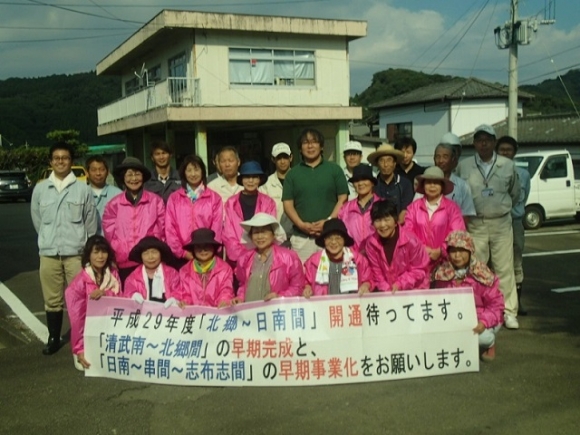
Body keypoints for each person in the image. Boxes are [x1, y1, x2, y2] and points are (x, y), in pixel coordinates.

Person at [30, 142, 98, 356]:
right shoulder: (40, 189)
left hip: (75, 254)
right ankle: (53, 338)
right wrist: (48, 239)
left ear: (71, 161)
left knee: (80, 297)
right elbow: (37, 221)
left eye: (65, 158)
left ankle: (84, 338)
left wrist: (87, 251)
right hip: (49, 253)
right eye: (57, 158)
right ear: (50, 161)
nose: (61, 162)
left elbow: (91, 223)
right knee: (52, 299)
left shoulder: (83, 189)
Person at [457, 124, 521, 329]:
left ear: (494, 142)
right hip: (476, 223)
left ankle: (508, 312)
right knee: (476, 268)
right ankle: (479, 310)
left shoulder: (507, 165)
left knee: (504, 268)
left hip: (501, 222)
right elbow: (460, 194)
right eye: (479, 140)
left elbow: (515, 193)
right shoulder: (464, 166)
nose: (483, 144)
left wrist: (501, 207)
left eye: (487, 140)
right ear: (474, 143)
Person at [433, 230, 505, 362]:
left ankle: (490, 343)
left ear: (470, 250)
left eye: (462, 250)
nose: (457, 256)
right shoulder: (443, 273)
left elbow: (496, 305)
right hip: (456, 319)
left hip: (481, 319)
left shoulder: (482, 274)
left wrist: (483, 322)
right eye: (453, 251)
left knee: (482, 338)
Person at [282, 128, 349, 263]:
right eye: (305, 142)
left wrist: (328, 221)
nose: (310, 146)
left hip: (330, 237)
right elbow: (287, 204)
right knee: (302, 273)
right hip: (301, 238)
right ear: (300, 149)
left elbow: (343, 198)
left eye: (314, 142)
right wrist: (301, 225)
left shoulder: (334, 170)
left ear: (321, 146)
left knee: (332, 273)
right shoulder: (292, 174)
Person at [102, 157, 165, 283]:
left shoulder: (155, 201)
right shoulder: (114, 204)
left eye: (137, 174)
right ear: (123, 178)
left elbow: (162, 230)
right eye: (129, 175)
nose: (134, 179)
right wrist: (117, 252)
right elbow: (109, 234)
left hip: (149, 260)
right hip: (124, 261)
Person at [65, 235, 122, 371]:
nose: (100, 257)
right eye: (96, 252)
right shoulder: (79, 283)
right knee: (84, 367)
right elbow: (77, 320)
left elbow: (122, 299)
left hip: (110, 330)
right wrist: (80, 349)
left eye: (104, 252)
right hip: (88, 332)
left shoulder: (113, 274)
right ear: (88, 255)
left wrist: (106, 294)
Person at [165, 155, 223, 268]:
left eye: (196, 169)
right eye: (189, 170)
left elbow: (217, 228)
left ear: (202, 171)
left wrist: (208, 251)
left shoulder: (214, 198)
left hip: (206, 254)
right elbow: (170, 229)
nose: (193, 174)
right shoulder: (174, 198)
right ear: (184, 173)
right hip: (180, 257)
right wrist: (182, 252)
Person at [404, 166, 465, 272]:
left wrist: (441, 251)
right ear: (423, 185)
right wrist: (421, 248)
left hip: (445, 263)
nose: (432, 186)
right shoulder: (413, 207)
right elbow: (407, 232)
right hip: (417, 261)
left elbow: (457, 234)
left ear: (442, 186)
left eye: (436, 182)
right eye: (428, 182)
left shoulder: (452, 208)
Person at [234, 213, 304, 303]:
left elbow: (298, 286)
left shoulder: (289, 257)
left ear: (273, 234)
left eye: (264, 232)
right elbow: (243, 284)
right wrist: (240, 298)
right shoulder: (244, 259)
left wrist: (280, 296)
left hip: (276, 309)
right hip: (250, 310)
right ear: (251, 236)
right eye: (256, 232)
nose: (260, 236)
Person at [496, 135, 531, 316]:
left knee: (516, 261)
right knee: (496, 263)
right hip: (498, 222)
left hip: (515, 221)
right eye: (502, 150)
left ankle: (517, 301)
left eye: (508, 150)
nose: (505, 153)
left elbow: (523, 197)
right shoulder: (492, 172)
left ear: (515, 152)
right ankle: (496, 302)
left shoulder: (523, 174)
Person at [363, 200, 430, 292]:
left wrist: (400, 284)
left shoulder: (411, 241)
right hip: (389, 293)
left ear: (395, 221)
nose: (382, 225)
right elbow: (376, 272)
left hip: (414, 290)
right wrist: (388, 290)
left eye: (387, 220)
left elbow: (419, 269)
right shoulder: (371, 244)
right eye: (378, 220)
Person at [223, 161, 277, 265]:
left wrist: (257, 255)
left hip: (262, 257)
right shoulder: (231, 203)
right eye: (247, 177)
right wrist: (243, 256)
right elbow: (228, 234)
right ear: (241, 179)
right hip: (237, 260)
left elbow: (270, 231)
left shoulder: (268, 202)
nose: (251, 181)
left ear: (260, 179)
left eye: (255, 177)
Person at [303, 218, 372, 297]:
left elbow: (368, 279)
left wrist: (366, 286)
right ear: (324, 240)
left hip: (351, 303)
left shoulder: (358, 260)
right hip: (323, 303)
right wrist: (307, 288)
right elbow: (306, 281)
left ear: (344, 239)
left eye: (338, 238)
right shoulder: (314, 261)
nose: (333, 242)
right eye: (329, 238)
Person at [426, 133, 476, 223]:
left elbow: (466, 215)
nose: (441, 161)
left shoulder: (463, 185)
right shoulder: (425, 183)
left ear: (453, 159)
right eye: (438, 157)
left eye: (445, 157)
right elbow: (416, 210)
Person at [180, 229, 235, 308]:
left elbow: (226, 290)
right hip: (194, 313)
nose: (203, 250)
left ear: (213, 248)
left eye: (207, 246)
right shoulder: (185, 271)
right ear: (193, 250)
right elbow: (185, 294)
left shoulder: (225, 269)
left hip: (217, 312)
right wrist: (185, 302)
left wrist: (224, 301)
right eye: (198, 247)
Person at [123, 236, 182, 305]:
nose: (150, 257)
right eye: (146, 253)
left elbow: (180, 292)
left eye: (154, 252)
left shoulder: (172, 274)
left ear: (160, 254)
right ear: (141, 256)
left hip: (168, 310)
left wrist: (175, 299)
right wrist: (132, 295)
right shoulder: (133, 277)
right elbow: (127, 293)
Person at [367, 143, 414, 224]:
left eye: (389, 160)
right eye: (382, 161)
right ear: (377, 164)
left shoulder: (405, 184)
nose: (385, 164)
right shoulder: (372, 185)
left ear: (394, 163)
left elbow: (405, 211)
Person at [338, 164, 381, 249]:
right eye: (357, 180)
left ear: (372, 183)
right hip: (352, 255)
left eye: (364, 179)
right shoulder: (345, 209)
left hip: (377, 255)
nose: (360, 183)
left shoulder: (382, 206)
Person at [259, 142, 294, 242]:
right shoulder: (266, 185)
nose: (282, 161)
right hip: (275, 235)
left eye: (285, 157)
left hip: (298, 235)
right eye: (279, 158)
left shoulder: (300, 180)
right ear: (273, 159)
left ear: (291, 158)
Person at [85, 155, 122, 235]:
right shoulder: (82, 194)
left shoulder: (118, 194)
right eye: (94, 170)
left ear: (108, 172)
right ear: (87, 173)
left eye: (102, 170)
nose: (98, 173)